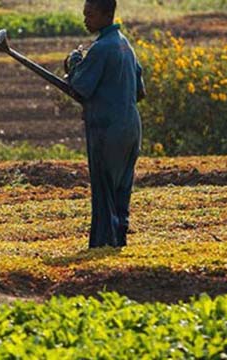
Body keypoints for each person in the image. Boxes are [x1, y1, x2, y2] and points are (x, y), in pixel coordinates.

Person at [64, 0, 146, 248]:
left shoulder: (101, 48)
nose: (85, 19)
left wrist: (74, 62)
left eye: (90, 14)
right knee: (121, 190)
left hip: (107, 129)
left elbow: (79, 88)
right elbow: (139, 92)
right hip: (131, 128)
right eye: (84, 14)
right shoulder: (124, 45)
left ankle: (102, 244)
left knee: (104, 191)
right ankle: (118, 241)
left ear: (105, 14)